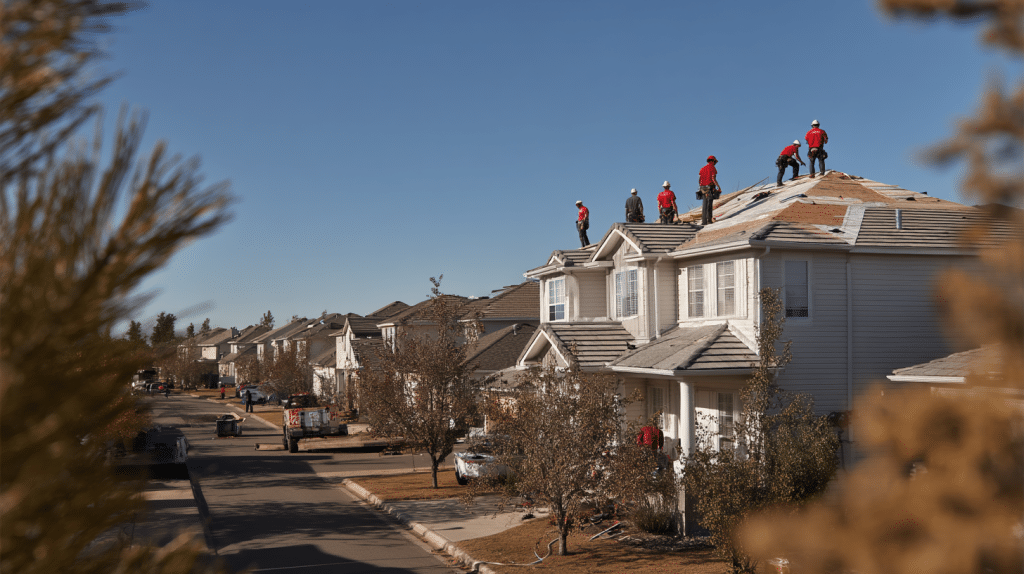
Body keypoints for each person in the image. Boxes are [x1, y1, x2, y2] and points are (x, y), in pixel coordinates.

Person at [698, 156, 720, 225]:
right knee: (709, 204)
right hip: (709, 187)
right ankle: (709, 220)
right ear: (713, 161)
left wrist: (701, 187)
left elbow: (699, 180)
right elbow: (713, 178)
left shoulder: (702, 169)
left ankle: (703, 221)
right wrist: (719, 187)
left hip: (703, 188)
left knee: (704, 204)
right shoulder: (712, 168)